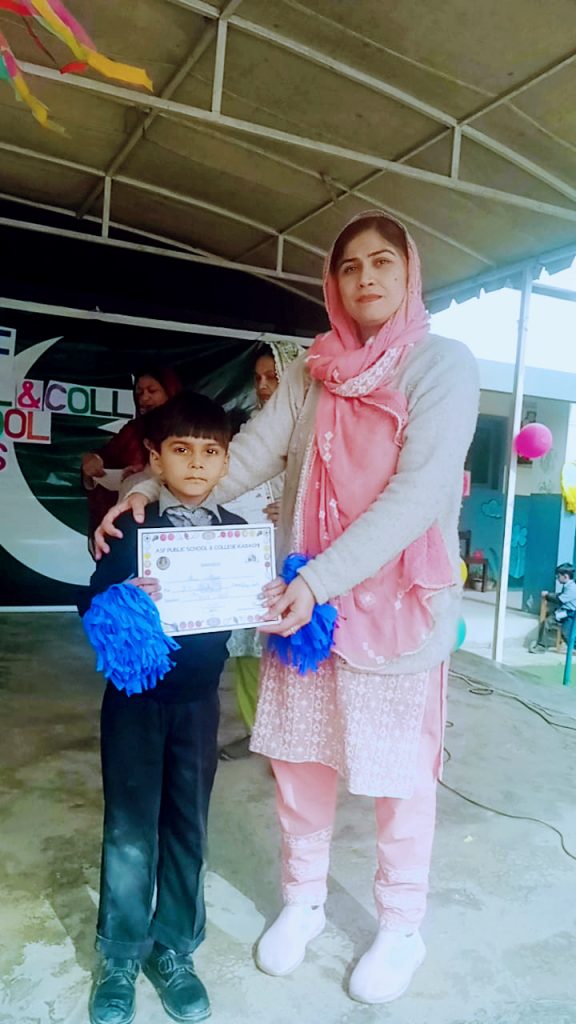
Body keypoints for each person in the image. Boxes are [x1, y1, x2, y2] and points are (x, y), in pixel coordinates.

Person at [93, 210, 479, 1005]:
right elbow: (237, 461)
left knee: (400, 776)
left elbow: (418, 492)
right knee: (301, 763)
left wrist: (321, 580)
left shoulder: (442, 365)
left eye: (382, 262)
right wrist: (147, 489)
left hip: (388, 605)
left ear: (409, 272)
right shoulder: (313, 370)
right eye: (349, 266)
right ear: (332, 284)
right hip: (303, 608)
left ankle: (400, 924)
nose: (366, 277)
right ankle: (303, 898)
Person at [78, 392, 245, 1024]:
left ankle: (175, 948)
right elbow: (92, 606)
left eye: (210, 451)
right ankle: (121, 955)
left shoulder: (239, 534)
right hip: (133, 704)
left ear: (225, 460)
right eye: (181, 449)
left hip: (198, 704)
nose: (196, 463)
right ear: (155, 458)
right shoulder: (129, 527)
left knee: (187, 824)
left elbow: (253, 607)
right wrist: (124, 597)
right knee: (129, 829)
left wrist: (272, 590)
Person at [221, 340, 304, 761]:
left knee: (291, 648)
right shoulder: (252, 433)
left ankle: (294, 739)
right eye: (257, 379)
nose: (264, 387)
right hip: (251, 556)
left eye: (273, 377)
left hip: (298, 559)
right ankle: (257, 733)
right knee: (248, 645)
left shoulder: (316, 430)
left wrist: (292, 506)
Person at [81, 366, 181, 549]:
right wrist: (92, 463)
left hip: (177, 526)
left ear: (171, 391)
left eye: (152, 391)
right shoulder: (132, 431)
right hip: (131, 526)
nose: (144, 398)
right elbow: (103, 460)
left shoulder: (188, 429)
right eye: (139, 392)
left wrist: (148, 473)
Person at [529, 562, 576, 652]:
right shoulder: (568, 585)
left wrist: (547, 595)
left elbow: (559, 599)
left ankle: (574, 646)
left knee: (566, 634)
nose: (557, 578)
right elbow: (560, 595)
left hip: (571, 614)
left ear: (565, 576)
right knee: (547, 622)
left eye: (558, 576)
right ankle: (541, 646)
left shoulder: (572, 588)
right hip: (564, 612)